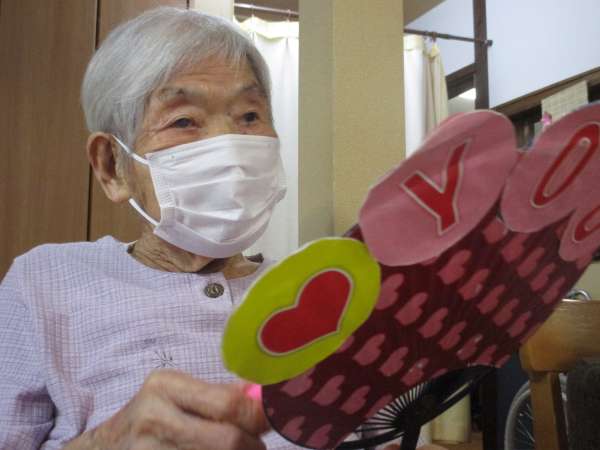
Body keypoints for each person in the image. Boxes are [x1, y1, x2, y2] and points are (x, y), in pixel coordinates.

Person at [0, 7, 447, 450]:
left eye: (249, 116)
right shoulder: (46, 283)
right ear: (112, 166)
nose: (229, 146)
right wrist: (104, 442)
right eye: (183, 121)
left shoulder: (319, 288)